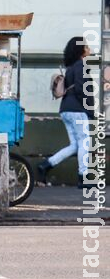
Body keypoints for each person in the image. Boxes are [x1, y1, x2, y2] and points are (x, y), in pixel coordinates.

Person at [37, 37, 92, 189]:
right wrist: (90, 111)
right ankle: (84, 177)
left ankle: (46, 164)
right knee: (84, 143)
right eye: (86, 46)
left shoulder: (71, 67)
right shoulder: (81, 65)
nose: (89, 48)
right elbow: (83, 90)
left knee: (75, 145)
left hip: (66, 109)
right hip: (78, 110)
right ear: (81, 49)